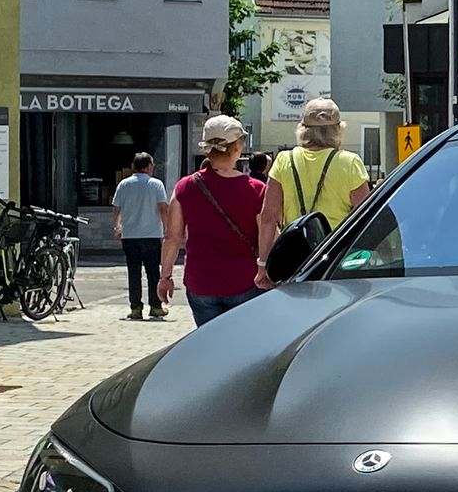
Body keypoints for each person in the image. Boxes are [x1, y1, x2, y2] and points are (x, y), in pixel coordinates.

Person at [159, 114, 264, 326]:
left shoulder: (185, 187)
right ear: (237, 147)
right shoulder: (256, 189)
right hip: (246, 280)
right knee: (244, 347)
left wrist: (165, 277)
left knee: (209, 344)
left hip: (201, 282)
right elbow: (266, 237)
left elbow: (172, 237)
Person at [256, 97, 372, 286]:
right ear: (338, 129)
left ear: (303, 129)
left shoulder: (284, 160)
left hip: (294, 258)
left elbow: (268, 217)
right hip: (337, 258)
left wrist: (263, 265)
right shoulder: (349, 162)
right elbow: (365, 217)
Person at [111, 151, 169, 322]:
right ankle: (156, 306)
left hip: (130, 235)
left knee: (133, 272)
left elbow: (116, 208)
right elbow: (163, 208)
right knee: (153, 272)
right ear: (149, 166)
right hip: (151, 234)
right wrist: (167, 229)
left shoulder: (124, 184)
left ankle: (136, 308)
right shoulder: (156, 184)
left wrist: (117, 226)